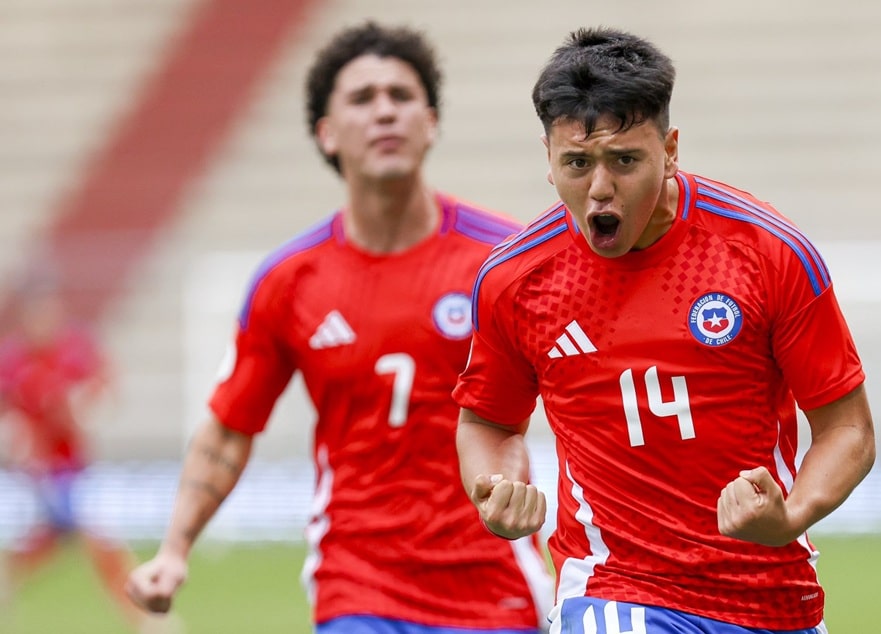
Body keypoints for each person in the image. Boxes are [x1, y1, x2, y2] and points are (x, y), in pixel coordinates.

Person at [125, 22, 552, 633]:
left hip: (491, 578)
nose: (384, 112)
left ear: (430, 122)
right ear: (326, 134)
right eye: (361, 98)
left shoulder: (503, 260)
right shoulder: (290, 281)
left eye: (401, 96)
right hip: (358, 581)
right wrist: (173, 550)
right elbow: (226, 433)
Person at [453, 27, 876, 633]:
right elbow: (488, 421)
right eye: (577, 163)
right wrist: (492, 487)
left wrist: (792, 514)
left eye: (625, 160)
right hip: (613, 587)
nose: (600, 188)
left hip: (770, 594)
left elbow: (848, 428)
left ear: (671, 149)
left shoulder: (766, 253)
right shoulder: (516, 281)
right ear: (548, 159)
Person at [0, 276, 148, 630]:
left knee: (58, 537)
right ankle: (147, 617)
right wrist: (13, 437)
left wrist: (88, 407)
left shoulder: (75, 349)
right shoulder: (12, 360)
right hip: (36, 473)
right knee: (97, 539)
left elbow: (105, 390)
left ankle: (145, 616)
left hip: (73, 467)